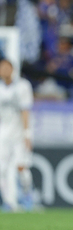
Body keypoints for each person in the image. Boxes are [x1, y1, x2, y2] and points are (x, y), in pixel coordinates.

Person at [0, 59, 35, 212]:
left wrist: (27, 134)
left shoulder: (23, 86)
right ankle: (8, 202)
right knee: (1, 169)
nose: (3, 70)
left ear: (12, 69)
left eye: (6, 67)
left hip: (20, 133)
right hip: (3, 133)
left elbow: (25, 111)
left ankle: (28, 196)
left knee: (22, 167)